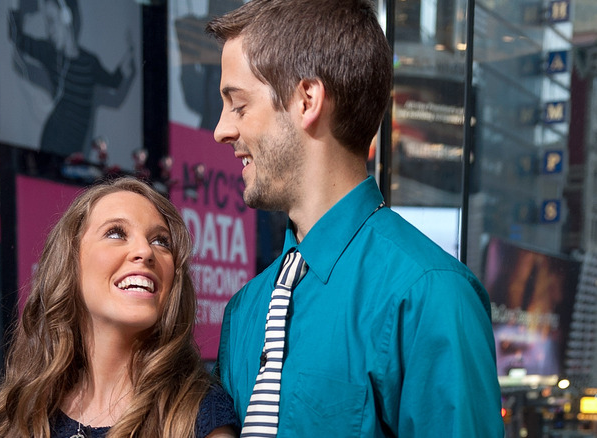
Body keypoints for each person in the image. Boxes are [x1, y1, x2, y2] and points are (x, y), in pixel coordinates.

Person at [205, 0, 504, 436]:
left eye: (238, 105)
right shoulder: (245, 309)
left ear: (307, 100)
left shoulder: (430, 295)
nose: (221, 130)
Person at [0, 177, 239, 438]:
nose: (145, 251)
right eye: (116, 233)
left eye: (161, 241)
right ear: (70, 263)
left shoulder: (199, 414)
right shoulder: (21, 410)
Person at [8, 0, 136, 158]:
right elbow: (16, 37)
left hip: (75, 144)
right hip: (53, 140)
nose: (50, 30)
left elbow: (114, 82)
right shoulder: (51, 54)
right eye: (47, 23)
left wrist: (126, 64)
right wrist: (14, 4)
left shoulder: (90, 62)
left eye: (52, 21)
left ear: (66, 17)